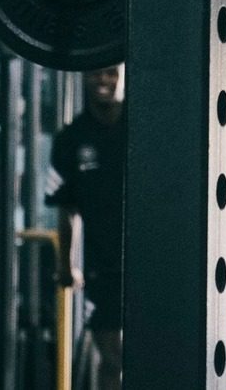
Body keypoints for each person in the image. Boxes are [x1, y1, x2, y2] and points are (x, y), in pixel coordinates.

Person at [47, 64, 126, 390]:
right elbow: (66, 210)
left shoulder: (145, 128)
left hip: (148, 262)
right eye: (97, 74)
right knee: (113, 361)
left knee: (145, 355)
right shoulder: (70, 139)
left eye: (112, 74)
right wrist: (66, 265)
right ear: (84, 77)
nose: (104, 81)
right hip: (101, 266)